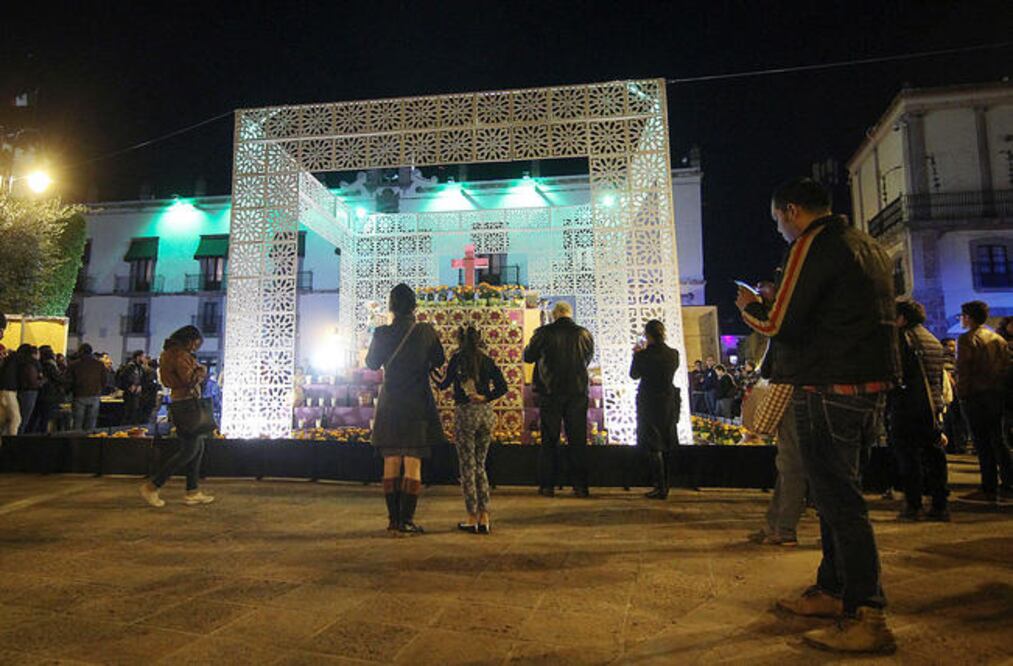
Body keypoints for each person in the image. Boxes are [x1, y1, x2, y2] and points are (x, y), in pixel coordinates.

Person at [737, 177, 899, 653]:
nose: (781, 231)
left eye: (778, 221)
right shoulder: (864, 244)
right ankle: (833, 590)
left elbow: (777, 323)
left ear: (791, 211)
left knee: (840, 501)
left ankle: (866, 611)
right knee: (834, 495)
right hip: (861, 383)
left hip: (829, 384)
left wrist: (751, 307)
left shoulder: (814, 244)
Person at [366, 283, 446, 535]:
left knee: (391, 460)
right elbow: (440, 359)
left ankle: (393, 520)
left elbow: (371, 364)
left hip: (390, 403)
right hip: (417, 403)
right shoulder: (425, 331)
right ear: (414, 305)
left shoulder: (381, 333)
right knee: (412, 462)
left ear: (391, 306)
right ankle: (407, 520)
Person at [436, 325, 508, 533]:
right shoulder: (487, 360)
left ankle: (471, 516)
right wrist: (486, 397)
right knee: (480, 465)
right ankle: (485, 516)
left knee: (467, 466)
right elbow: (503, 386)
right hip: (485, 414)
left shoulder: (457, 360)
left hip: (466, 414)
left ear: (460, 340)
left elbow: (443, 384)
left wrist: (430, 371)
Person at [524, 300, 595, 498]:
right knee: (578, 439)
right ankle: (580, 486)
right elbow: (587, 358)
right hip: (577, 392)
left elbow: (528, 356)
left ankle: (548, 486)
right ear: (569, 314)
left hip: (550, 391)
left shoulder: (544, 333)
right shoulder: (584, 334)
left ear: (554, 315)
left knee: (549, 439)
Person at [140, 326, 215, 508]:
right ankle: (153, 486)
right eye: (196, 343)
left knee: (197, 447)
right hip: (187, 403)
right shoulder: (180, 355)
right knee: (189, 450)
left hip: (180, 402)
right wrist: (201, 371)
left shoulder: (169, 353)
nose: (196, 348)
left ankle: (192, 491)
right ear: (189, 340)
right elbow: (189, 379)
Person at [889, 298, 949, 521]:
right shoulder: (932, 339)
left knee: (909, 458)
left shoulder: (904, 339)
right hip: (932, 406)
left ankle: (913, 505)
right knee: (935, 457)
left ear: (902, 318)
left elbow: (898, 373)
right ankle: (940, 504)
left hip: (908, 406)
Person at [956, 300, 1011, 503]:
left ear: (968, 317)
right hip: (996, 394)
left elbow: (964, 369)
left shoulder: (967, 339)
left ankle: (988, 487)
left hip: (976, 395)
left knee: (982, 442)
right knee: (998, 439)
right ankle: (1008, 484)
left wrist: (962, 394)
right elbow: (1006, 366)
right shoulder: (997, 339)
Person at [630, 319, 680, 500]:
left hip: (648, 401)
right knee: (666, 442)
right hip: (667, 401)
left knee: (654, 445)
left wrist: (635, 355)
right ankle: (666, 485)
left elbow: (634, 375)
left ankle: (659, 486)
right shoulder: (673, 354)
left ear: (648, 335)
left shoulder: (643, 355)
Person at [66, 343, 109, 432]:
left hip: (79, 396)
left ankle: (76, 443)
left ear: (81, 352)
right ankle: (89, 443)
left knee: (77, 424)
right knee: (91, 424)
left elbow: (68, 381)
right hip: (94, 396)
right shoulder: (99, 364)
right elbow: (104, 381)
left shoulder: (74, 365)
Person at [26, 346, 65, 434]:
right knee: (45, 419)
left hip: (39, 395)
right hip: (49, 396)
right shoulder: (50, 365)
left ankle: (31, 435)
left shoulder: (39, 364)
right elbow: (58, 379)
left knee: (35, 418)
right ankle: (42, 436)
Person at [15, 345, 42, 435]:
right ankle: (18, 439)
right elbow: (32, 381)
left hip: (20, 391)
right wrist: (42, 382)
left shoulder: (20, 362)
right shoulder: (32, 363)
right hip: (29, 393)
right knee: (23, 419)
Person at [116, 351, 146, 425]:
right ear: (138, 357)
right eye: (143, 356)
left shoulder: (140, 368)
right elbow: (122, 378)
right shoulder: (130, 366)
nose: (144, 358)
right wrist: (129, 386)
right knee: (128, 414)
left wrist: (140, 385)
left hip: (137, 394)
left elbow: (141, 379)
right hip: (129, 394)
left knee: (134, 413)